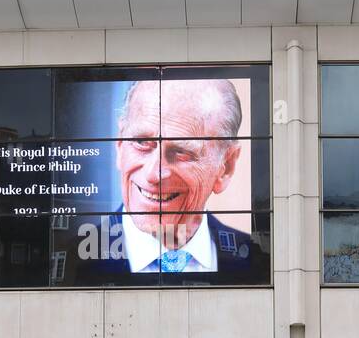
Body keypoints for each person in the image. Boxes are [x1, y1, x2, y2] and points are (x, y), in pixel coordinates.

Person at [67, 79, 268, 283]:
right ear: (120, 144)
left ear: (226, 166)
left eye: (181, 152)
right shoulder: (71, 262)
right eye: (142, 142)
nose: (153, 174)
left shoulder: (257, 265)